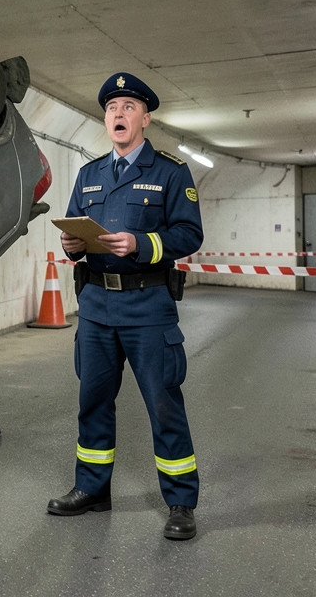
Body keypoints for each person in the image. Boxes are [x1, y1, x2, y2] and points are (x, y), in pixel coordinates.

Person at [47, 73, 204, 540]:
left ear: (145, 119)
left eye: (128, 107)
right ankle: (92, 488)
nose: (118, 114)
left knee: (163, 404)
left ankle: (181, 502)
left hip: (147, 307)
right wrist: (71, 245)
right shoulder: (89, 174)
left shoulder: (170, 172)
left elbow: (189, 234)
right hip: (96, 306)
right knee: (92, 401)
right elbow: (75, 229)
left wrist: (140, 243)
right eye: (112, 108)